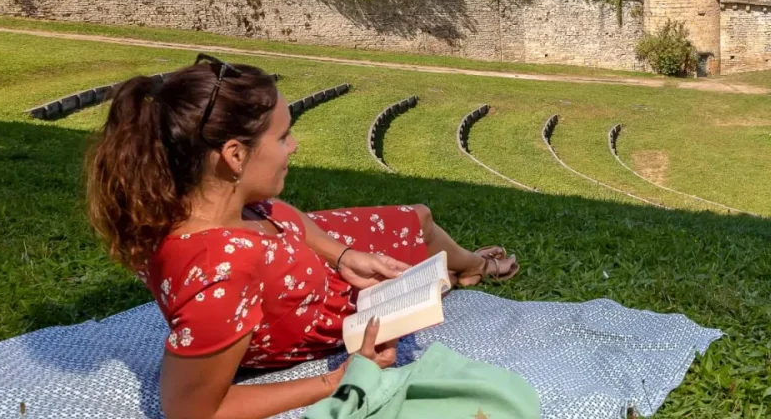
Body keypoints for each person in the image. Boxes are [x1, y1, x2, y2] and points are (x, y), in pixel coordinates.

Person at [85, 54, 522, 419]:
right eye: (283, 135)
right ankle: (477, 266)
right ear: (235, 155)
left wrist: (342, 254)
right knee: (421, 228)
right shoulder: (219, 274)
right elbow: (193, 409)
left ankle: (467, 266)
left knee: (417, 219)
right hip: (317, 300)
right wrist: (343, 377)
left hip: (309, 258)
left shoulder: (196, 200)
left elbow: (280, 214)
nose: (293, 147)